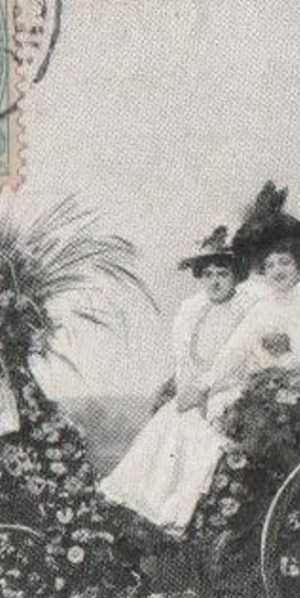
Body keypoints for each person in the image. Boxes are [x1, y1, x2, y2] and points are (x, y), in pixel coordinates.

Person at [99, 225, 255, 534]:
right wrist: (188, 389)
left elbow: (236, 361)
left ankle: (180, 514)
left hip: (229, 390)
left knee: (200, 436)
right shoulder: (193, 311)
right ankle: (148, 512)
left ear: (236, 276)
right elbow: (186, 361)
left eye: (222, 273)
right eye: (208, 274)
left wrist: (204, 391)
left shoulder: (246, 310)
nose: (215, 281)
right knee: (167, 424)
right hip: (195, 392)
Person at [200, 182, 300, 417]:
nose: (277, 270)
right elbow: (233, 353)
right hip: (263, 403)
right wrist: (205, 385)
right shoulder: (259, 312)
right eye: (269, 265)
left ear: (299, 265)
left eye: (284, 262)